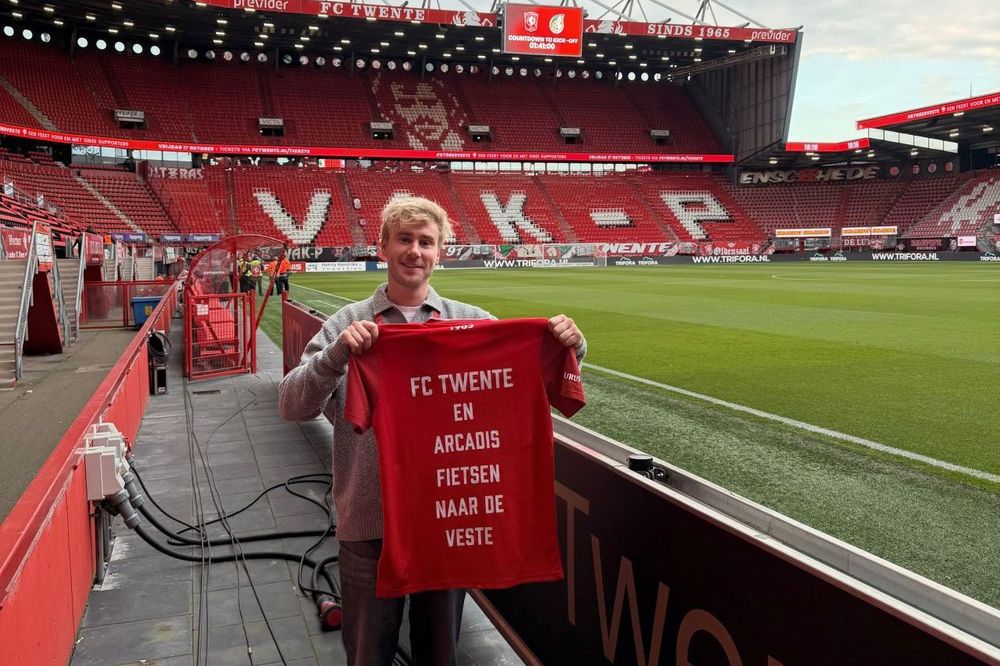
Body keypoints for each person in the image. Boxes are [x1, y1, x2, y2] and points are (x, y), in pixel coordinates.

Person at [278, 197, 584, 666]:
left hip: (445, 524)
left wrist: (571, 347)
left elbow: (532, 384)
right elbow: (292, 405)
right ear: (383, 246)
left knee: (440, 655)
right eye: (404, 239)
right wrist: (336, 356)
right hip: (370, 528)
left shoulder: (471, 322)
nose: (415, 252)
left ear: (440, 252)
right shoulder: (347, 325)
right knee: (367, 656)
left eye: (426, 242)